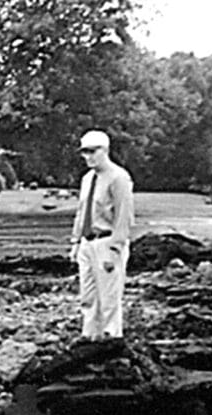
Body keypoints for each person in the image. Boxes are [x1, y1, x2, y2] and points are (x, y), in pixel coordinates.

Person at [69, 130, 135, 339]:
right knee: (88, 296)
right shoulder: (88, 178)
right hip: (87, 242)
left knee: (109, 297)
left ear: (105, 150)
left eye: (92, 152)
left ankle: (111, 338)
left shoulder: (119, 177)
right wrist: (76, 242)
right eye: (84, 152)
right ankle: (89, 337)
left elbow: (124, 216)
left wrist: (115, 248)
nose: (88, 157)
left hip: (107, 241)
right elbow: (82, 211)